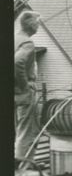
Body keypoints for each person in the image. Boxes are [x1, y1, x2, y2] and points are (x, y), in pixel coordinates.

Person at [14, 11, 42, 161]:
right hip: (22, 93)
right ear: (31, 24)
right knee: (25, 132)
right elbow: (17, 62)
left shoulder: (12, 37)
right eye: (38, 23)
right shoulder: (27, 43)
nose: (38, 26)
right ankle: (22, 168)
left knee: (14, 130)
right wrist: (24, 86)